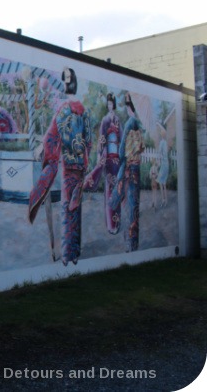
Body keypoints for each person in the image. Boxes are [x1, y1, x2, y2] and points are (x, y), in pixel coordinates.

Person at [28, 67, 92, 266]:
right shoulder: (85, 112)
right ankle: (75, 251)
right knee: (76, 205)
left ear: (66, 85)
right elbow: (89, 140)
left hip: (67, 166)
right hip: (79, 165)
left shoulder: (63, 110)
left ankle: (67, 254)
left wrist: (42, 149)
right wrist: (84, 160)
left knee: (66, 207)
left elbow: (52, 135)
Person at [110, 93, 145, 252]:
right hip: (137, 169)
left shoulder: (130, 123)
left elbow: (121, 148)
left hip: (129, 168)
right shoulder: (138, 124)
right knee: (134, 207)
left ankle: (130, 244)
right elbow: (142, 147)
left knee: (128, 205)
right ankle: (133, 243)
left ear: (128, 107)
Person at [83, 93, 122, 235]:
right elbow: (101, 139)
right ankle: (111, 224)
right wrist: (100, 155)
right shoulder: (105, 120)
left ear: (114, 104)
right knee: (109, 189)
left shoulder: (117, 120)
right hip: (108, 158)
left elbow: (121, 140)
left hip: (117, 158)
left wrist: (122, 156)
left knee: (117, 188)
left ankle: (117, 222)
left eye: (112, 103)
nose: (110, 105)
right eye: (108, 103)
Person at [156, 123, 169, 208]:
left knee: (160, 182)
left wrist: (157, 164)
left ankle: (163, 200)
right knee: (163, 183)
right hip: (166, 164)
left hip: (164, 165)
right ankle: (165, 200)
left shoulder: (162, 143)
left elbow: (159, 154)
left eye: (161, 132)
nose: (160, 133)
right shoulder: (165, 142)